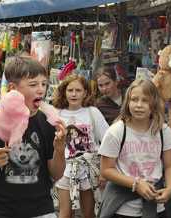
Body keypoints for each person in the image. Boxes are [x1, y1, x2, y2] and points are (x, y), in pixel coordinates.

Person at [0, 56, 67, 218]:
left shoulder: (47, 124)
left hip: (41, 209)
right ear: (13, 89)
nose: (41, 89)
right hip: (0, 210)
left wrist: (60, 150)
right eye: (33, 84)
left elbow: (57, 174)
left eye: (43, 83)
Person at [98, 79, 171, 218]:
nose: (139, 105)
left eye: (145, 100)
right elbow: (106, 170)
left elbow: (170, 165)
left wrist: (170, 188)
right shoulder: (116, 131)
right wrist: (136, 184)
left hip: (156, 206)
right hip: (122, 208)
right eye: (134, 99)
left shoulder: (163, 131)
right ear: (127, 102)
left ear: (154, 104)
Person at [53, 73, 109, 218]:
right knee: (65, 213)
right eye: (70, 90)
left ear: (85, 93)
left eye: (78, 90)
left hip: (88, 170)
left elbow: (108, 142)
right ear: (64, 92)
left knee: (89, 213)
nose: (74, 94)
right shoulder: (57, 114)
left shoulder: (92, 112)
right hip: (65, 169)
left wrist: (104, 171)